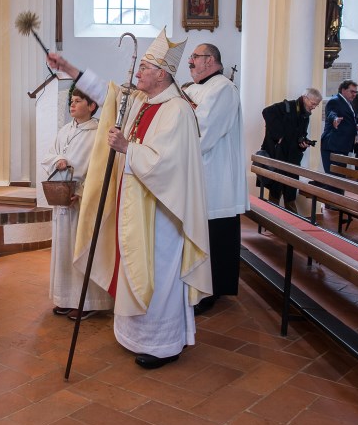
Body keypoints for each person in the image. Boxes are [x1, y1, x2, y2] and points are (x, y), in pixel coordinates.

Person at [47, 29, 211, 370]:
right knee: (133, 266)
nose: (137, 75)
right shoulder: (142, 101)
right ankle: (135, 335)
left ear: (161, 74)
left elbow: (168, 164)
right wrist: (69, 69)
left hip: (162, 213)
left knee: (158, 273)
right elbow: (108, 96)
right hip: (135, 207)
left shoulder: (177, 110)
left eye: (144, 69)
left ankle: (164, 344)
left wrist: (127, 148)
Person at [184, 44, 249, 314]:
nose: (190, 61)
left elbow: (205, 133)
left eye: (195, 57)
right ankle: (197, 286)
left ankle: (211, 292)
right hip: (198, 173)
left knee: (215, 236)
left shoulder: (223, 89)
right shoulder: (190, 88)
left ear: (210, 60)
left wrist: (174, 151)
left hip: (216, 176)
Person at [40, 87, 112, 320]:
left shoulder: (98, 133)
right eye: (71, 101)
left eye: (78, 101)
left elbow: (99, 170)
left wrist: (80, 192)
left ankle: (88, 302)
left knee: (82, 250)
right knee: (64, 251)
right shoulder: (64, 130)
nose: (72, 105)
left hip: (82, 201)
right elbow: (48, 156)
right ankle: (66, 298)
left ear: (92, 106)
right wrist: (59, 160)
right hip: (61, 198)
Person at [260, 88, 322, 213]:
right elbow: (266, 112)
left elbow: (300, 134)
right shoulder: (287, 106)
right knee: (275, 189)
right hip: (278, 155)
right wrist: (279, 136)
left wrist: (303, 143)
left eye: (317, 104)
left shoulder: (305, 115)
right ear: (305, 98)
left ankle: (292, 221)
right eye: (313, 103)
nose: (314, 107)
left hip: (293, 158)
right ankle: (272, 219)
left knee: (291, 190)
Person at [320, 80, 358, 192]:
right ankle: (333, 204)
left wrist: (356, 127)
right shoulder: (335, 101)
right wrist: (335, 119)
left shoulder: (347, 103)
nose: (354, 94)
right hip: (333, 145)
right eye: (352, 91)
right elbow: (331, 113)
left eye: (356, 92)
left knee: (340, 179)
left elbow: (347, 121)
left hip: (342, 146)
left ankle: (337, 204)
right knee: (334, 179)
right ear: (343, 90)